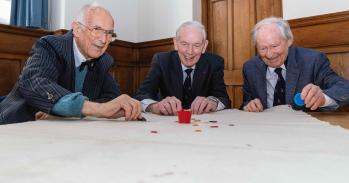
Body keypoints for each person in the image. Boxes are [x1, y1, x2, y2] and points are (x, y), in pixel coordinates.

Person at [0, 3, 141, 124]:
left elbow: (111, 100)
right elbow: (34, 83)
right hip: (17, 124)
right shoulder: (50, 45)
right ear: (77, 29)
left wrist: (64, 112)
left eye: (110, 33)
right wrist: (96, 109)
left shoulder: (104, 60)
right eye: (97, 30)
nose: (104, 40)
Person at [241, 16, 349, 112]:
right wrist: (249, 105)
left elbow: (345, 88)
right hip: (265, 129)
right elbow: (247, 101)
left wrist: (323, 98)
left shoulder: (313, 61)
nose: (269, 55)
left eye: (274, 46)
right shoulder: (250, 68)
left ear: (289, 41)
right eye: (263, 48)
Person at [134, 21, 231, 115]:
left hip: (202, 125)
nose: (190, 51)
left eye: (196, 45)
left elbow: (224, 99)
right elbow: (141, 95)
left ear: (204, 46)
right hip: (169, 124)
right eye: (184, 44)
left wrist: (212, 102)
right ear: (175, 43)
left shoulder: (214, 62)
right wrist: (155, 106)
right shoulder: (161, 60)